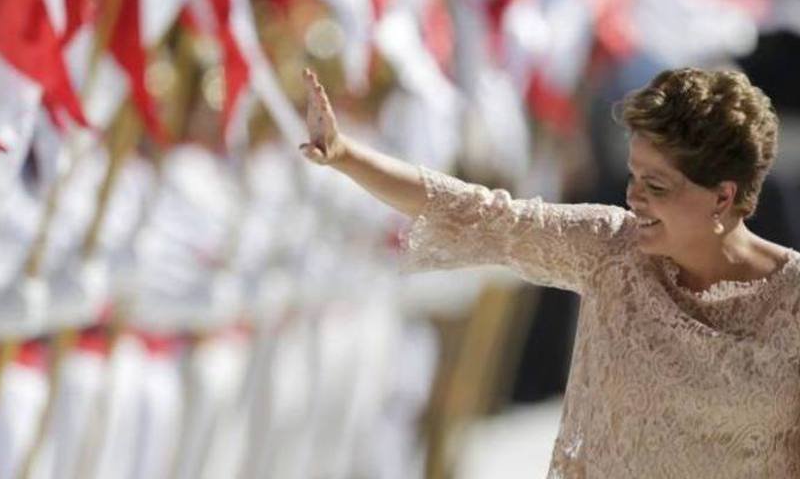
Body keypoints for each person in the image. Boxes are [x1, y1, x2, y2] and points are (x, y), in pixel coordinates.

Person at [299, 66, 800, 478]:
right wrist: (347, 157)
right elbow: (483, 214)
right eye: (633, 176)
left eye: (658, 186)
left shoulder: (793, 299)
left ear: (724, 196)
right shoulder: (610, 251)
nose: (633, 197)